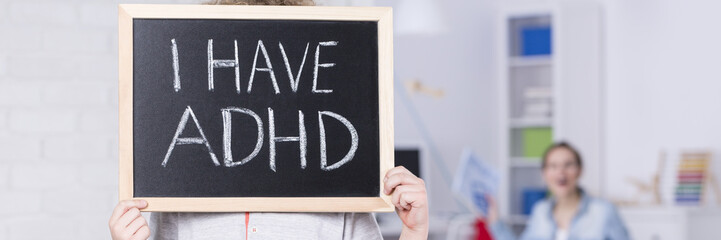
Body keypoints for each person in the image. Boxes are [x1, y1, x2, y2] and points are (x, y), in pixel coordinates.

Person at [486, 142, 629, 240]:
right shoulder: (540, 211)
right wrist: (495, 222)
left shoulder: (603, 211)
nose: (561, 172)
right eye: (553, 166)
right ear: (544, 173)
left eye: (568, 165)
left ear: (579, 170)